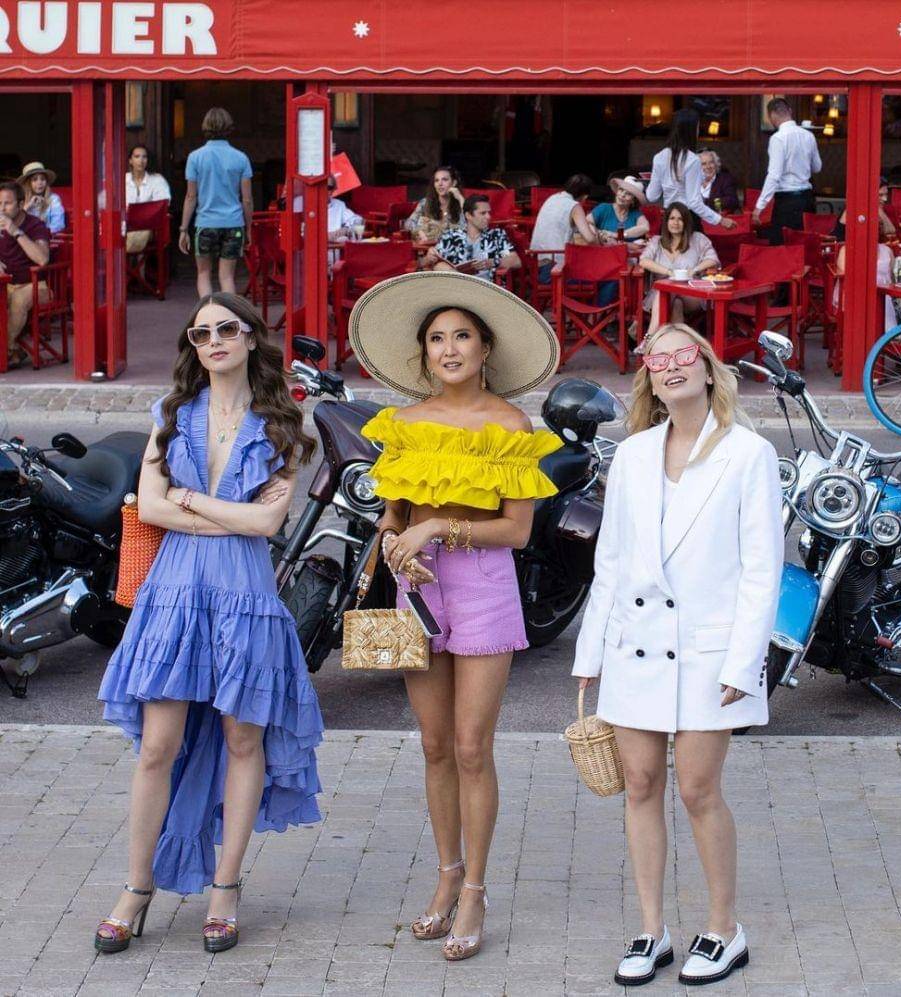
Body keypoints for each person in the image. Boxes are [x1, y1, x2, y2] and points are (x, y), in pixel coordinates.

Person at [94, 292, 323, 956]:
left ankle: (226, 887)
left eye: (227, 328)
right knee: (157, 745)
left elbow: (268, 522)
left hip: (246, 595)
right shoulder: (170, 414)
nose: (214, 340)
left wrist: (188, 500)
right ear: (193, 347)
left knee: (244, 741)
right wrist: (225, 513)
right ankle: (136, 887)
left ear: (251, 338)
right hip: (174, 592)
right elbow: (152, 508)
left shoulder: (283, 424)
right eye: (201, 333)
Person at [349, 270, 561, 962]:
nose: (448, 348)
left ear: (484, 347)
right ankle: (445, 874)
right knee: (435, 745)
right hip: (417, 585)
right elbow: (391, 515)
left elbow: (518, 532)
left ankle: (475, 889)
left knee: (473, 746)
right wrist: (396, 542)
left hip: (483, 584)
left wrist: (439, 526)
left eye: (461, 336)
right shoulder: (403, 425)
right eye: (437, 338)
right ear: (424, 353)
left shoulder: (510, 426)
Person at [572, 322, 783, 989]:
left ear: (709, 368)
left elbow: (762, 569)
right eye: (656, 358)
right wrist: (589, 651)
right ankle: (651, 928)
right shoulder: (633, 454)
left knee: (696, 788)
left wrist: (743, 662)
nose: (670, 365)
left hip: (709, 652)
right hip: (633, 645)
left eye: (683, 353)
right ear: (649, 380)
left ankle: (724, 928)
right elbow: (610, 562)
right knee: (639, 784)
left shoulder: (749, 453)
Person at [179, 108, 254, 298]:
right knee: (227, 277)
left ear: (205, 126)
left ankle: (207, 313)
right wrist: (249, 227)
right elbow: (246, 199)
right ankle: (229, 314)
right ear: (229, 127)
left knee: (203, 274)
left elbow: (191, 197)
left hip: (205, 223)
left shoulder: (195, 157)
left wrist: (183, 229)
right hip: (233, 223)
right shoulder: (241, 158)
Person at [646, 110, 736, 232]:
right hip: (687, 219)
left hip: (669, 219)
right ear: (691, 130)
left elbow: (651, 196)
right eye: (697, 127)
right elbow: (694, 202)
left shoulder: (659, 157)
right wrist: (720, 220)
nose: (698, 131)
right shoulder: (692, 160)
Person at [639, 202, 721, 332]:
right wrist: (669, 272)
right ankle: (678, 343)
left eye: (680, 219)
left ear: (686, 222)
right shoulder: (657, 241)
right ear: (666, 222)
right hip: (660, 295)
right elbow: (644, 261)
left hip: (692, 293)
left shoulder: (698, 239)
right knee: (675, 303)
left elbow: (712, 259)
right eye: (672, 218)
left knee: (669, 289)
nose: (675, 223)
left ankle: (649, 337)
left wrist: (694, 270)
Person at [753, 98, 822, 245]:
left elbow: (774, 175)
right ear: (790, 111)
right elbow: (817, 167)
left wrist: (759, 207)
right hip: (807, 199)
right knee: (805, 246)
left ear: (771, 115)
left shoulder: (778, 138)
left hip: (787, 202)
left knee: (783, 247)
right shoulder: (809, 136)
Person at [0, 181, 50, 368]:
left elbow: (42, 259)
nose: (2, 208)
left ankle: (4, 350)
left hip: (36, 286)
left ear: (21, 204)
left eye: (7, 203)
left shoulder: (35, 225)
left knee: (18, 301)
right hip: (6, 284)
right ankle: (13, 350)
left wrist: (15, 231)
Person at [428, 195, 521, 283]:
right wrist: (430, 256)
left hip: (486, 286)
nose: (488, 217)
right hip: (455, 286)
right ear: (468, 215)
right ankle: (462, 282)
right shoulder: (451, 236)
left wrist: (493, 262)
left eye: (489, 213)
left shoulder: (496, 235)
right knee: (440, 266)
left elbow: (515, 260)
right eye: (483, 213)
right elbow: (429, 262)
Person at [529, 174, 598, 281]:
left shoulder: (552, 198)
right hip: (555, 270)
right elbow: (590, 239)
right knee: (603, 277)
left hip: (536, 266)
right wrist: (598, 234)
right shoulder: (574, 206)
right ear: (585, 196)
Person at [125, 144, 171, 254]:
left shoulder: (157, 180)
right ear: (130, 160)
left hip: (149, 227)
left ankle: (128, 259)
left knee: (139, 233)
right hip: (125, 225)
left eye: (144, 157)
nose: (141, 160)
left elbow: (162, 205)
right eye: (137, 156)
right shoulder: (122, 179)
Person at [405, 165, 465, 243]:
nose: (440, 184)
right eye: (436, 180)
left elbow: (468, 228)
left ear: (454, 183)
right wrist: (418, 231)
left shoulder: (461, 204)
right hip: (425, 246)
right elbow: (408, 223)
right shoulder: (425, 203)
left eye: (444, 180)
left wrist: (460, 198)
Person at [831, 176, 896, 241]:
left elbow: (891, 233)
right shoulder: (855, 209)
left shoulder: (877, 209)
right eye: (880, 195)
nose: (885, 199)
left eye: (886, 194)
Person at [588, 176, 650, 243]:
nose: (622, 195)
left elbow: (645, 227)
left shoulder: (635, 213)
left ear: (633, 200)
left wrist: (618, 235)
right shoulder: (604, 208)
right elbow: (587, 223)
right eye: (621, 190)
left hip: (626, 249)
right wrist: (600, 234)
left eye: (628, 194)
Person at [18, 162, 65, 235]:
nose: (39, 183)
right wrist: (28, 206)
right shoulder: (20, 200)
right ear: (28, 183)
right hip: (24, 239)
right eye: (35, 180)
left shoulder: (53, 199)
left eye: (42, 179)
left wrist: (41, 233)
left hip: (46, 238)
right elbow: (13, 224)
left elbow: (58, 225)